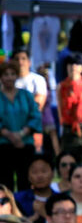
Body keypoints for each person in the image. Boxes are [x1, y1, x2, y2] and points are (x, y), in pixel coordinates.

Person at [0, 60, 42, 191]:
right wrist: (9, 135)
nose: (9, 77)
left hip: (25, 144)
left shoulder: (26, 95)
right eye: (6, 74)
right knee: (5, 182)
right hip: (3, 145)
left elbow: (35, 115)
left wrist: (22, 134)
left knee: (26, 181)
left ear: (17, 76)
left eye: (12, 74)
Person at [57, 51, 82, 164]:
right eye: (70, 65)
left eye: (76, 65)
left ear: (81, 67)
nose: (73, 68)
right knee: (69, 162)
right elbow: (60, 109)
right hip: (68, 127)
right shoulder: (61, 86)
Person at [15, 155, 57, 223]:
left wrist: (44, 213)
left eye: (44, 171)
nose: (39, 176)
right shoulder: (18, 199)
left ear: (52, 173)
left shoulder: (61, 200)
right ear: (28, 176)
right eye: (34, 172)